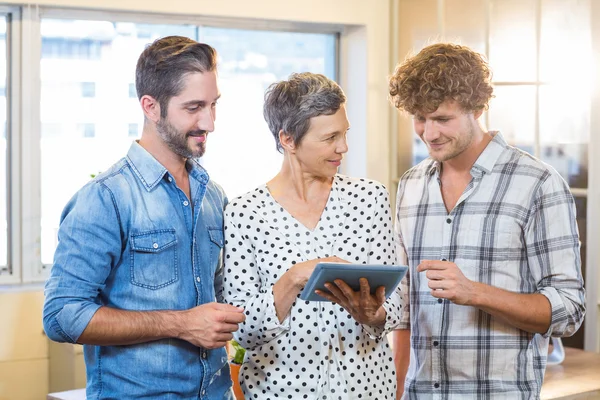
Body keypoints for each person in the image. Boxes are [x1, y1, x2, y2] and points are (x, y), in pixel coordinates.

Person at [42, 36, 245, 399]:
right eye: (194, 107)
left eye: (214, 105)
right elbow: (61, 317)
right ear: (151, 107)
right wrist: (181, 324)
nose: (210, 122)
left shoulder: (213, 195)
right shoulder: (105, 198)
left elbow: (223, 298)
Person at [388, 42, 586, 399]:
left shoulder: (537, 184)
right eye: (420, 118)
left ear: (477, 108)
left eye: (442, 119)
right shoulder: (411, 185)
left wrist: (475, 292)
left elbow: (569, 310)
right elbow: (404, 312)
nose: (428, 133)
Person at [221, 72, 406, 399]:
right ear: (288, 139)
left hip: (368, 390)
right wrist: (291, 280)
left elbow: (396, 303)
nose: (343, 147)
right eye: (330, 137)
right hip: (280, 391)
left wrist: (374, 314)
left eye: (345, 133)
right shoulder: (244, 213)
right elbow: (243, 331)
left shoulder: (369, 199)